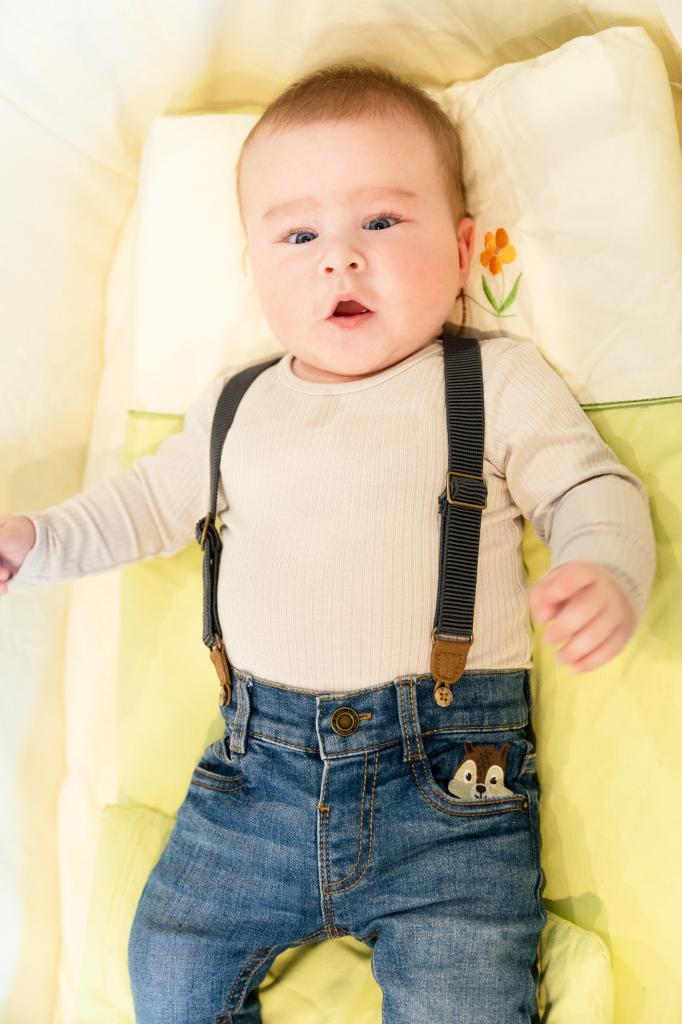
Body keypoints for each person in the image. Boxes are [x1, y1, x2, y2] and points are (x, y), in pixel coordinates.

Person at [0, 60, 655, 1023]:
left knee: (466, 994)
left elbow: (591, 488)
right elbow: (142, 504)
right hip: (252, 780)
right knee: (172, 963)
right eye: (299, 235)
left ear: (463, 250)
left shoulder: (492, 381)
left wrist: (604, 566)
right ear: (255, 270)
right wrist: (35, 541)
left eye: (381, 222)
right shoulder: (237, 404)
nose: (339, 260)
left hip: (449, 791)